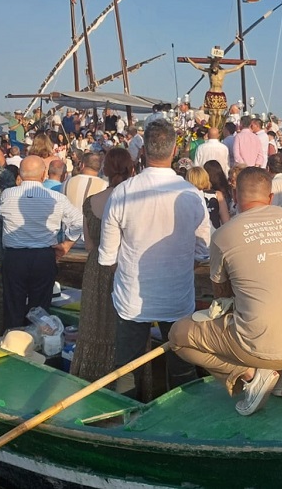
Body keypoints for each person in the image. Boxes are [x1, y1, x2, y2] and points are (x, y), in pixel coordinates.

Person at [170, 167, 282, 415]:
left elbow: (222, 297)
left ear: (235, 195)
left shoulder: (224, 234)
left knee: (178, 336)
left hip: (263, 347)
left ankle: (249, 375)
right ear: (270, 198)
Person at [98, 119, 210, 398]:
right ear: (174, 151)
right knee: (183, 370)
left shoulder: (123, 192)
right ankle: (185, 423)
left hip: (132, 297)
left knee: (126, 371)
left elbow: (108, 257)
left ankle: (127, 424)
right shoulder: (192, 195)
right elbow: (204, 250)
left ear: (144, 151)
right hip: (176, 296)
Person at [0, 156, 83, 331]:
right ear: (43, 174)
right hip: (44, 256)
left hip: (15, 256)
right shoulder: (56, 197)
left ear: (20, 174)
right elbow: (79, 221)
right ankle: (38, 345)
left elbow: (1, 215)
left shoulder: (7, 194)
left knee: (13, 306)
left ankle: (13, 343)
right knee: (41, 309)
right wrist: (66, 245)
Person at [71, 149, 135, 382]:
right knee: (124, 328)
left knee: (94, 326)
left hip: (97, 268)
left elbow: (89, 244)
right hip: (125, 268)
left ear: (105, 171)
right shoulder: (133, 201)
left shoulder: (91, 202)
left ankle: (89, 377)